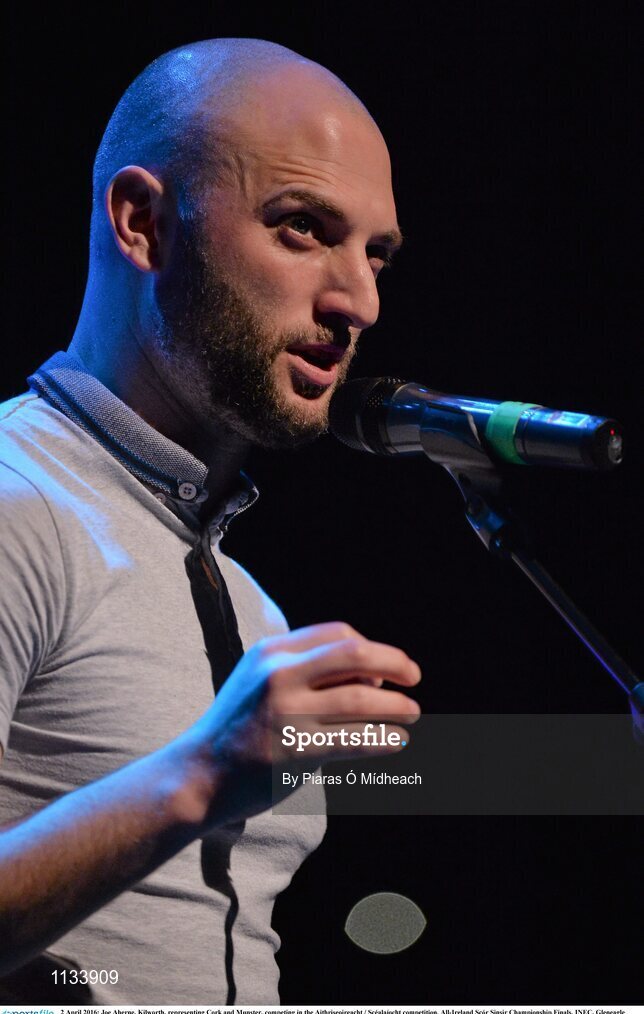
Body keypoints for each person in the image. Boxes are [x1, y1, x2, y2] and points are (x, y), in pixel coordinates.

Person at [0, 38, 420, 1004]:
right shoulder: (22, 506)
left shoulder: (249, 606)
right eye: (304, 229)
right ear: (144, 223)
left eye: (377, 254)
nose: (357, 299)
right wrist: (200, 774)